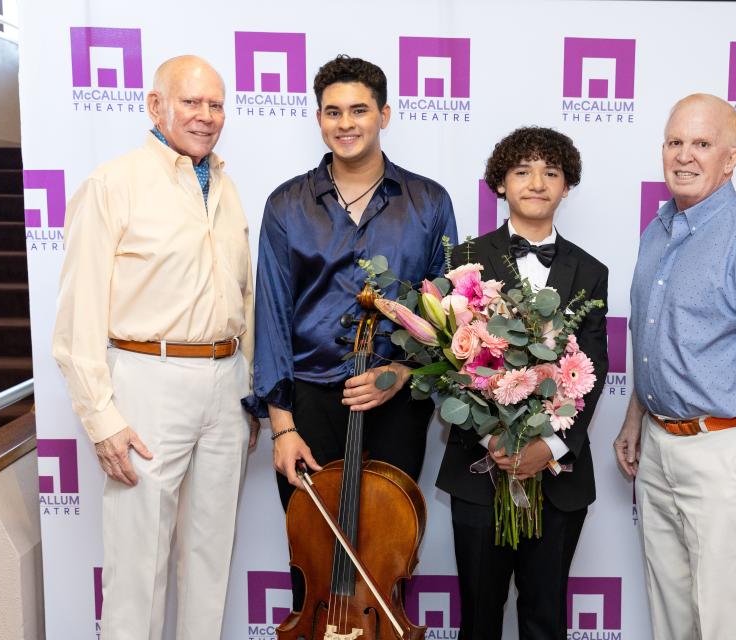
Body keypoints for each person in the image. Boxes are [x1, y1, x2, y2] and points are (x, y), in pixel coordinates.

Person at [52, 55, 258, 640]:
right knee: (137, 568)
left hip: (224, 386)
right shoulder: (111, 184)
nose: (206, 115)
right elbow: (77, 315)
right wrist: (101, 418)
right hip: (145, 381)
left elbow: (244, 298)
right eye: (191, 102)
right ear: (155, 105)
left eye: (216, 104)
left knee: (210, 558)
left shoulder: (225, 184)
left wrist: (244, 391)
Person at [244, 54, 457, 609]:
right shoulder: (286, 204)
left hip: (396, 404)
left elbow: (449, 318)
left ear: (384, 114)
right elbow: (270, 316)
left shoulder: (429, 201)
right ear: (318, 119)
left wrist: (403, 372)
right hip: (310, 405)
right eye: (332, 111)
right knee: (314, 562)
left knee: (387, 560)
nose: (346, 123)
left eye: (358, 109)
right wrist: (282, 427)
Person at [613, 93, 736, 640]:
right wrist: (634, 422)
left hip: (724, 451)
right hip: (658, 447)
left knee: (725, 619)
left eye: (702, 143)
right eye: (675, 142)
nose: (684, 155)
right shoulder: (658, 230)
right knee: (670, 611)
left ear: (731, 158)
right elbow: (654, 341)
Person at [436, 126, 609, 639]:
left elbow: (592, 371)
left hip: (559, 482)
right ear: (500, 183)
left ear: (566, 185)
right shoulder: (465, 257)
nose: (537, 182)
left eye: (550, 172)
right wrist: (492, 438)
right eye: (522, 171)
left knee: (545, 620)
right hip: (478, 472)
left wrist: (550, 446)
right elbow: (449, 359)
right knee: (479, 620)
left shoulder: (591, 271)